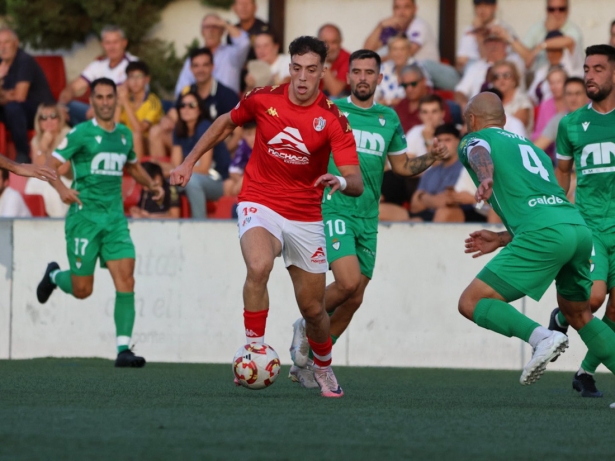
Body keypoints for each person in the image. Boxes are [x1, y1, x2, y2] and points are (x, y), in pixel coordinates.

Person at [170, 36, 364, 398]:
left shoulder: (333, 119)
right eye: (296, 68)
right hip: (259, 199)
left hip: (305, 216)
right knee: (258, 266)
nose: (302, 78)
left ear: (323, 71)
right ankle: (254, 350)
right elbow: (225, 123)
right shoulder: (263, 98)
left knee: (312, 310)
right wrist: (188, 161)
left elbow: (356, 181)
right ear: (288, 67)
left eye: (311, 70)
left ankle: (321, 367)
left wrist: (338, 179)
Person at [286, 49, 448, 387]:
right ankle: (306, 322)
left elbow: (402, 167)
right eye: (356, 71)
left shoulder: (388, 118)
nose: (362, 78)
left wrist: (431, 156)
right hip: (334, 206)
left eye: (369, 72)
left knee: (355, 296)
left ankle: (313, 362)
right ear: (349, 77)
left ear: (379, 78)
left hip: (367, 216)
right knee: (346, 282)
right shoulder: (331, 110)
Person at [459, 91, 615, 391]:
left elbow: (480, 150)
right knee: (579, 313)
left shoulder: (473, 139)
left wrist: (485, 176)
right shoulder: (533, 149)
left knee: (471, 301)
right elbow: (545, 201)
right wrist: (504, 237)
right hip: (578, 228)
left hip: (544, 234)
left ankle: (543, 337)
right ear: (504, 121)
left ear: (471, 119)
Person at [36, 77, 164, 368]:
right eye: (100, 97)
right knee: (83, 290)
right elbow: (49, 165)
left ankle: (123, 349)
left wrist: (151, 185)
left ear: (115, 101)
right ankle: (55, 276)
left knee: (126, 278)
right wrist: (62, 190)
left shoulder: (124, 135)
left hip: (115, 220)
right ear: (92, 102)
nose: (106, 102)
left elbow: (131, 165)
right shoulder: (81, 133)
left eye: (110, 97)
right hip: (84, 218)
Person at [548, 44, 615, 398]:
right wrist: (558, 213)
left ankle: (585, 373)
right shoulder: (572, 123)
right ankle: (561, 317)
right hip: (592, 226)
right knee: (593, 298)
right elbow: (562, 173)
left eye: (599, 69)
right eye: (587, 68)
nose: (590, 75)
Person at [149, 48, 239, 162]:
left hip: (214, 147)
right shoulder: (187, 92)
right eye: (196, 66)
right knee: (156, 131)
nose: (200, 69)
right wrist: (166, 120)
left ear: (212, 67)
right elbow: (172, 115)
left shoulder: (226, 94)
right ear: (190, 69)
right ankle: (158, 176)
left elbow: (238, 134)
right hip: (190, 145)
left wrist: (220, 155)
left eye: (205, 65)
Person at [363, 0, 459, 90]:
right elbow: (366, 51)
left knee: (419, 66)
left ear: (415, 9)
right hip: (408, 76)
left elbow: (404, 54)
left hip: (432, 74)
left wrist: (375, 61)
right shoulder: (392, 29)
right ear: (393, 10)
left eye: (406, 7)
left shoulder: (420, 25)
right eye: (397, 7)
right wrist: (380, 25)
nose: (401, 12)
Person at [59, 25, 137, 127]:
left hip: (121, 113)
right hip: (95, 112)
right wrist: (60, 106)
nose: (112, 47)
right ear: (102, 44)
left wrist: (99, 107)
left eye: (115, 42)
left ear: (124, 43)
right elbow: (73, 87)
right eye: (108, 43)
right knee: (67, 108)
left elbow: (124, 92)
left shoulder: (133, 64)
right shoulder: (98, 64)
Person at [0, 27, 55, 164]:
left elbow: (19, 96)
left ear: (16, 43)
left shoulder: (24, 60)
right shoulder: (1, 62)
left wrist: (3, 95)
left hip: (39, 111)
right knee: (11, 108)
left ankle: (23, 154)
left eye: (6, 42)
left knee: (13, 108)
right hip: (14, 111)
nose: (2, 47)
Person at [171, 91, 224, 218]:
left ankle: (200, 224)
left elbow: (204, 169)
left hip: (216, 180)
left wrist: (180, 170)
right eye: (182, 105)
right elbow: (175, 165)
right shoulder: (179, 129)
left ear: (200, 109)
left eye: (192, 105)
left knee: (192, 180)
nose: (186, 109)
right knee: (167, 181)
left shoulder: (205, 127)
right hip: (191, 178)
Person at [174, 14, 250, 96]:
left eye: (215, 27)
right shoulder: (195, 58)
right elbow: (181, 89)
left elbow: (244, 43)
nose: (211, 31)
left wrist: (224, 23)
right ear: (202, 32)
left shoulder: (232, 54)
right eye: (207, 27)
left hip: (228, 105)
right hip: (201, 105)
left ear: (222, 31)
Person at [497, 0, 583, 73]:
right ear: (546, 10)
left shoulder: (573, 30)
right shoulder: (538, 27)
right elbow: (526, 55)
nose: (556, 13)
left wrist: (540, 46)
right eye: (551, 9)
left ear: (568, 10)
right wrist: (509, 38)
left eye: (561, 9)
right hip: (542, 74)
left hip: (568, 78)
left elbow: (569, 42)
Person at [455, 33, 525, 110]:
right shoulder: (475, 66)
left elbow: (528, 59)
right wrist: (464, 105)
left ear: (505, 44)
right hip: (474, 110)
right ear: (484, 46)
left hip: (504, 108)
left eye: (497, 41)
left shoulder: (515, 61)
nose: (493, 45)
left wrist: (507, 36)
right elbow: (460, 91)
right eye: (489, 41)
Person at [24, 103, 72, 217]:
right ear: (38, 122)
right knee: (33, 182)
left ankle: (57, 221)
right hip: (50, 178)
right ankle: (31, 221)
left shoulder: (68, 135)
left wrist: (43, 149)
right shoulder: (37, 140)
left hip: (70, 181)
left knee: (49, 185)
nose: (48, 120)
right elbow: (37, 169)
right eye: (44, 117)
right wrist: (43, 146)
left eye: (53, 116)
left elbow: (62, 169)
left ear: (60, 119)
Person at [115, 61, 163, 160]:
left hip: (148, 143)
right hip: (129, 140)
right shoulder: (125, 98)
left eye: (139, 76)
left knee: (136, 135)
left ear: (147, 79)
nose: (135, 81)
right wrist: (119, 103)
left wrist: (125, 102)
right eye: (131, 77)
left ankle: (138, 170)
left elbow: (140, 129)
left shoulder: (153, 101)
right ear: (127, 81)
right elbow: (115, 126)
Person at [455, 0, 516, 72]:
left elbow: (488, 61)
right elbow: (460, 62)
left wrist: (479, 34)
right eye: (478, 5)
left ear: (494, 7)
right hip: (465, 74)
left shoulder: (502, 29)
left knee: (476, 65)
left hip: (489, 73)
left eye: (486, 5)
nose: (482, 10)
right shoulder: (469, 29)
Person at [534, 76, 587, 153]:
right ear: (564, 97)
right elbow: (537, 146)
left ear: (587, 96)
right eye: (569, 94)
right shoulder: (559, 120)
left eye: (578, 93)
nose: (573, 98)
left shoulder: (596, 118)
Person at [488, 60, 533, 134]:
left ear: (514, 79)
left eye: (506, 75)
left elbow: (517, 127)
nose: (501, 80)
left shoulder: (523, 100)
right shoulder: (488, 100)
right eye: (496, 77)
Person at [318, 24, 351, 98]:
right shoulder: (311, 56)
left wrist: (323, 62)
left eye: (334, 42)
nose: (329, 47)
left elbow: (335, 91)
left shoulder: (348, 59)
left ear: (340, 42)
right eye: (325, 42)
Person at [223, 122, 255, 198]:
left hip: (263, 183)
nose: (252, 138)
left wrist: (244, 180)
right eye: (249, 134)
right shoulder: (244, 145)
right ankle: (234, 209)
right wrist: (241, 181)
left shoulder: (267, 148)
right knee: (228, 184)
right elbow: (233, 170)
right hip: (245, 179)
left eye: (255, 134)